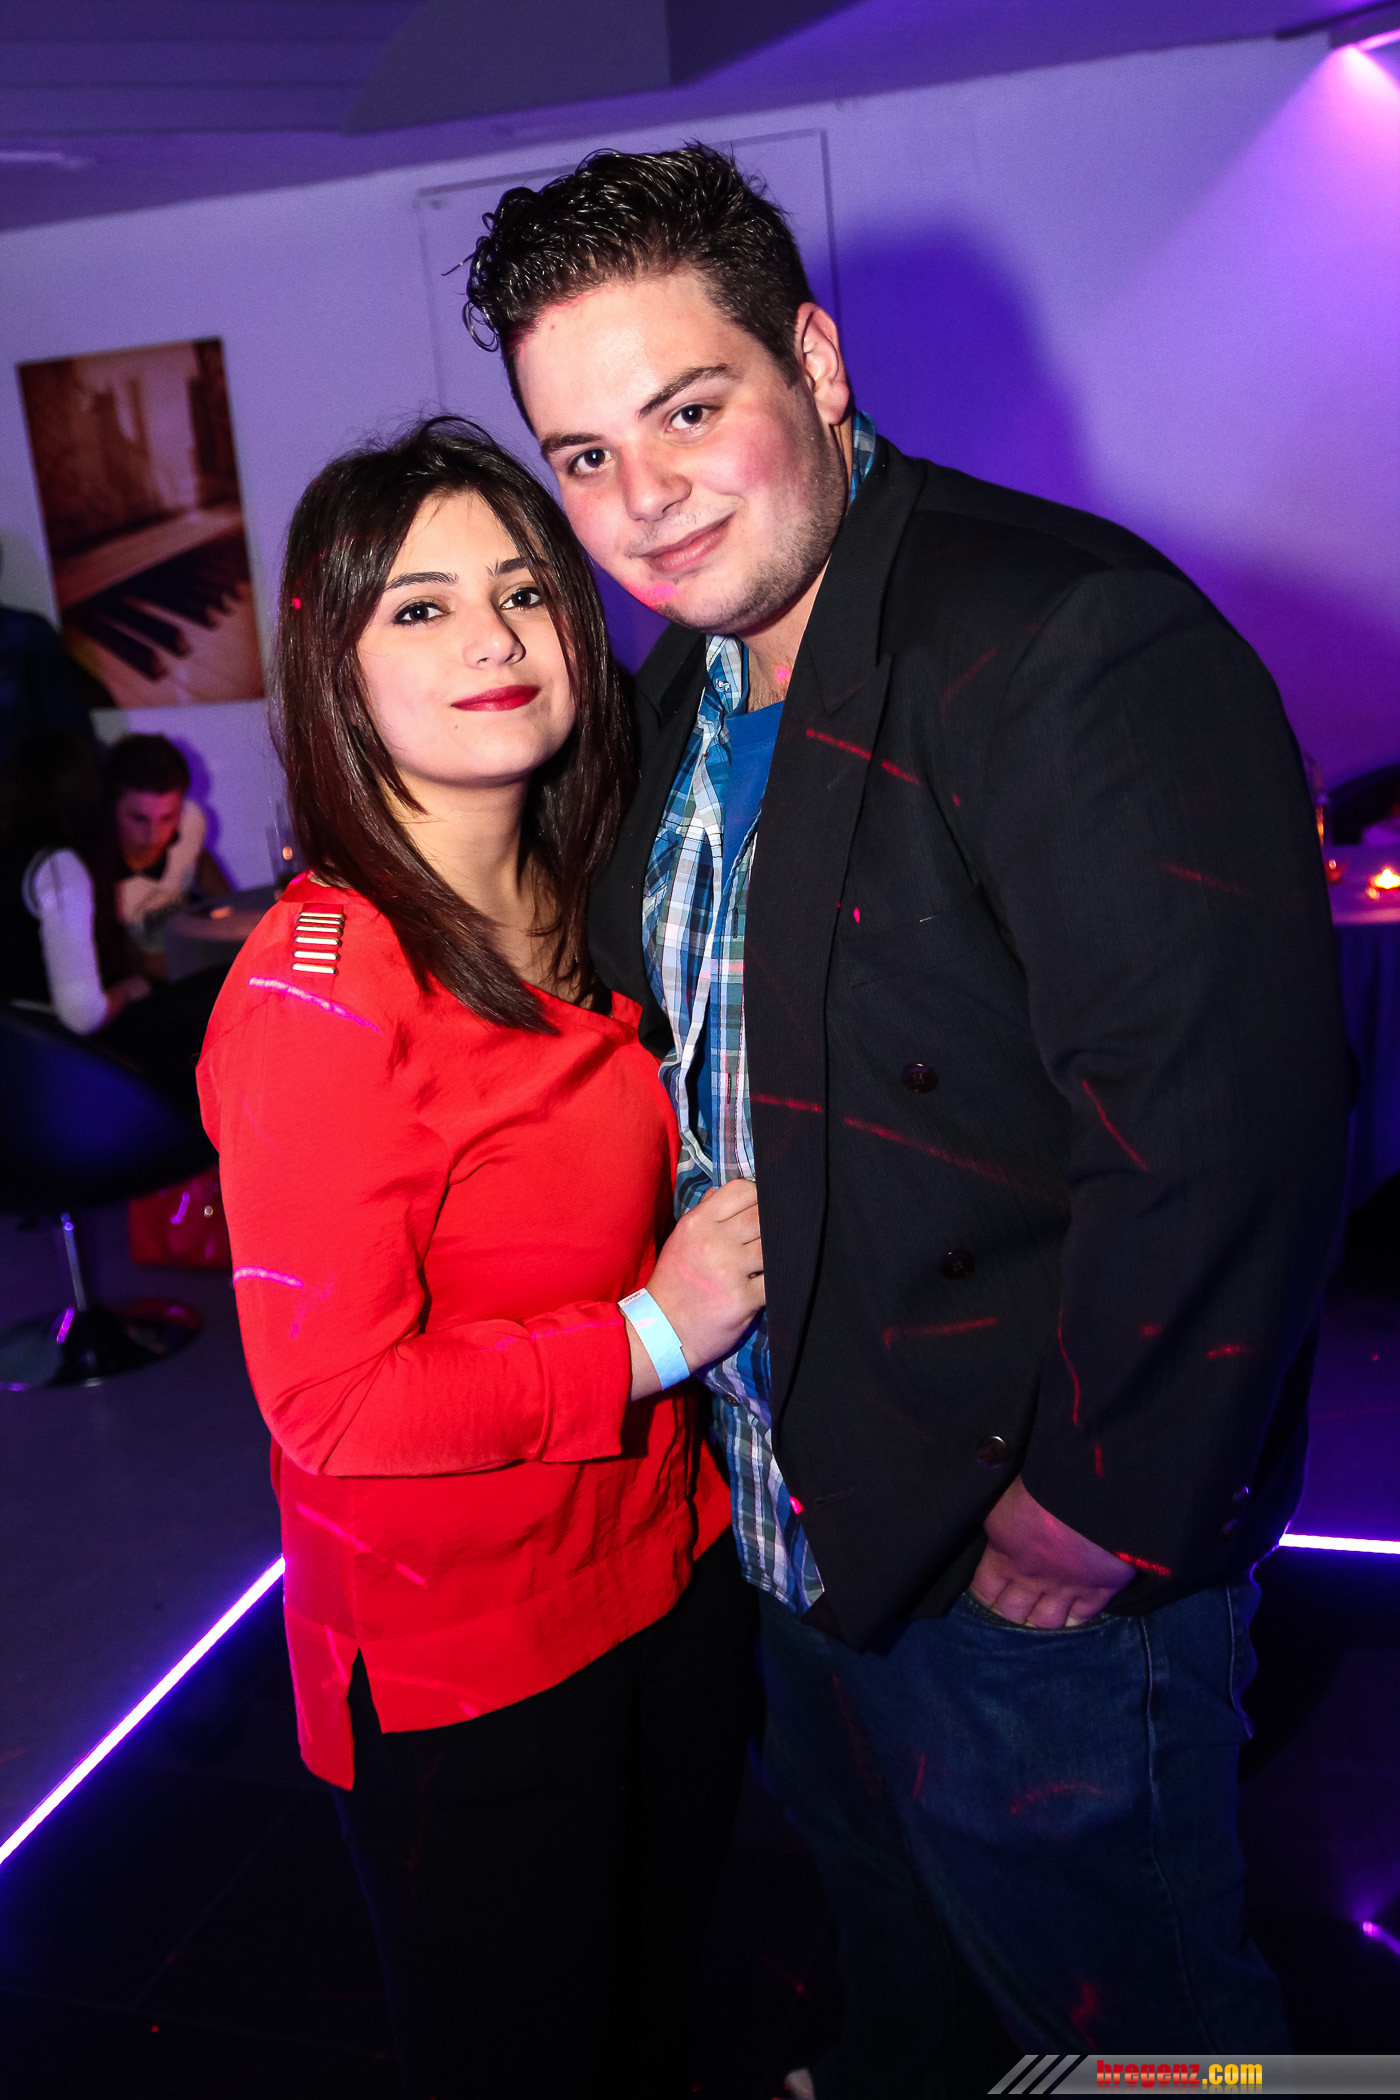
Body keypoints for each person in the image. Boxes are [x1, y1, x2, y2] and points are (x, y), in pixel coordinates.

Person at [464, 146, 1351, 2088]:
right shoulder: (681, 682)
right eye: (587, 454)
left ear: (815, 359)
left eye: (686, 410)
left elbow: (1237, 1122)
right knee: (911, 2001)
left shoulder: (1060, 633)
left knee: (1137, 2042)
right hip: (791, 1533)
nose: (644, 498)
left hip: (1015, 1548)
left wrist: (1096, 1505)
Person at [196, 418, 760, 2100]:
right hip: (472, 1668)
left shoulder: (598, 893)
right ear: (335, 666)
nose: (494, 638)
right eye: (422, 607)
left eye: (521, 590)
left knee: (658, 2025)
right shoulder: (318, 988)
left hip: (663, 1569)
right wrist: (657, 1332)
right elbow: (334, 1407)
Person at [0, 730, 226, 1116]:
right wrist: (130, 989)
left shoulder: (16, 851)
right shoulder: (61, 866)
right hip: (57, 1052)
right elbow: (82, 1014)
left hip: (20, 1047)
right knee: (216, 994)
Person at [106, 732, 230, 966]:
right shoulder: (91, 868)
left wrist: (231, 908)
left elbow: (195, 855)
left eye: (168, 817)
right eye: (139, 819)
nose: (154, 836)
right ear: (109, 806)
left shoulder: (191, 820)